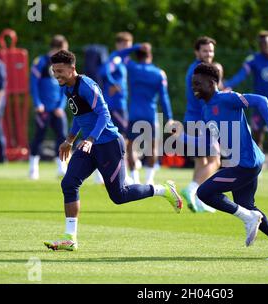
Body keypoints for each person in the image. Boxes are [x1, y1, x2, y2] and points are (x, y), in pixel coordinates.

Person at [43, 50, 182, 251]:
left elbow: (104, 114)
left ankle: (162, 190)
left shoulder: (87, 86)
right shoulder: (67, 88)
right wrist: (70, 140)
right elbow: (79, 116)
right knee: (69, 182)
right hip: (89, 146)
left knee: (119, 196)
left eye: (60, 71)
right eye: (54, 71)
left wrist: (90, 139)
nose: (57, 75)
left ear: (73, 68)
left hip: (108, 144)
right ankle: (70, 238)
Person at [179, 62, 268, 260]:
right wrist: (180, 137)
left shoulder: (227, 98)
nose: (194, 87)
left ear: (211, 83)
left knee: (204, 192)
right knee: (246, 205)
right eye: (193, 84)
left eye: (198, 83)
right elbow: (209, 142)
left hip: (246, 163)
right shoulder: (207, 109)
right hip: (242, 164)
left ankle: (249, 218)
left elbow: (261, 100)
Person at [224, 30, 268, 183]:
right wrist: (226, 85)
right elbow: (241, 75)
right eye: (261, 43)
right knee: (257, 137)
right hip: (259, 106)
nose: (263, 45)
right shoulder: (253, 60)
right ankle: (257, 168)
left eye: (266, 42)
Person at [113, 43, 174, 185]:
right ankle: (149, 180)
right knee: (152, 147)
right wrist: (169, 118)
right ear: (150, 56)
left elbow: (118, 55)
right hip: (150, 115)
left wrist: (136, 46)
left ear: (137, 56)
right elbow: (164, 98)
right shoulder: (159, 73)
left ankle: (134, 179)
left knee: (131, 147)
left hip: (134, 114)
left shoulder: (132, 68)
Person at [181, 36, 220, 213]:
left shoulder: (194, 69)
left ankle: (197, 200)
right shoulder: (200, 71)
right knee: (216, 159)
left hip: (191, 120)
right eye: (205, 50)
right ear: (197, 52)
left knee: (201, 161)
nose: (209, 54)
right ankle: (192, 189)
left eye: (211, 50)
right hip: (201, 121)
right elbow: (204, 100)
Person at [94, 32, 133, 185]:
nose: (126, 48)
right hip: (114, 106)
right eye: (124, 45)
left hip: (120, 105)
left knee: (110, 138)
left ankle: (103, 173)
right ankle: (123, 175)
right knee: (123, 138)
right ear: (118, 45)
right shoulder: (116, 58)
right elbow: (103, 72)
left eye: (128, 45)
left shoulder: (125, 61)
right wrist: (113, 83)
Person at [29, 35, 69, 179]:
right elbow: (33, 84)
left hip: (57, 109)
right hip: (43, 109)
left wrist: (61, 106)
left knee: (63, 137)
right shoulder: (41, 62)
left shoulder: (63, 65)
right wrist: (38, 103)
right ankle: (33, 168)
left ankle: (61, 167)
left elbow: (65, 87)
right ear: (56, 48)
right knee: (38, 137)